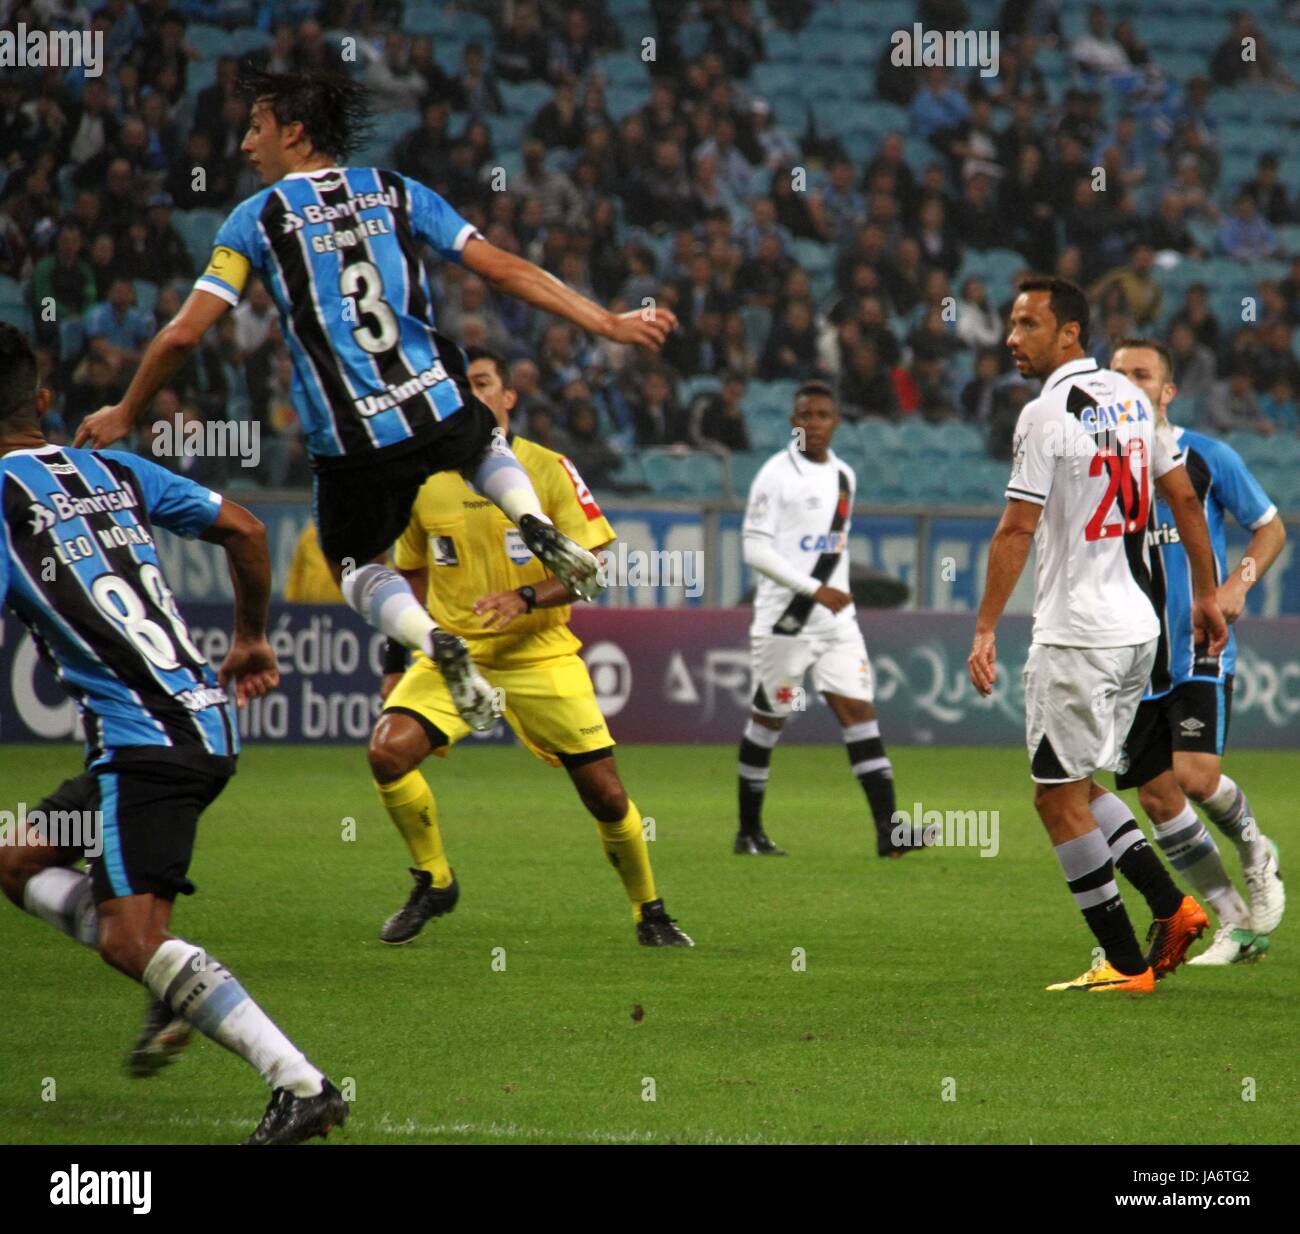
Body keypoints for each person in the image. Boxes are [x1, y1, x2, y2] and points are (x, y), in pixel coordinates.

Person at [74, 70, 676, 734]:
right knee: (483, 442)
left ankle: (433, 641)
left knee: (356, 566)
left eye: (256, 127)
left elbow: (186, 332)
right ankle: (531, 518)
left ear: (294, 133)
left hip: (351, 442)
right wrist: (604, 323)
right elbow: (501, 265)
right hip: (436, 405)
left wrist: (127, 410)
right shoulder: (397, 191)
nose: (247, 144)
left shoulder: (255, 220)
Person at [0, 322, 345, 1144]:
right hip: (199, 719)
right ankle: (172, 972)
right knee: (17, 860)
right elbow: (249, 529)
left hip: (143, 742)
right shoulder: (111, 466)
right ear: (44, 401)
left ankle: (300, 1084)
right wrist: (252, 635)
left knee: (131, 938)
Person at [367, 350, 691, 947]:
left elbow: (592, 566)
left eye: (484, 383)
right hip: (453, 655)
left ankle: (651, 912)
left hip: (540, 652)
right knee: (387, 755)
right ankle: (434, 880)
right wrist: (395, 660)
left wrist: (525, 597)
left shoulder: (548, 469)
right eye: (462, 387)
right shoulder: (421, 481)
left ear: (509, 396)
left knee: (606, 794)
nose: (472, 394)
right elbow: (408, 575)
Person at [968, 278, 1228, 993]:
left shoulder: (1045, 414)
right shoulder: (1132, 399)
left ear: (1070, 334)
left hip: (1078, 635)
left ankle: (1122, 961)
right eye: (1012, 322)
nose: (1013, 337)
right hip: (1135, 631)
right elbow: (1183, 498)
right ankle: (1173, 908)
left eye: (1028, 324)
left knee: (1055, 800)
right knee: (1078, 786)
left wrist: (986, 625)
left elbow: (1016, 529)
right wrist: (1205, 592)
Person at [1110, 338, 1286, 964]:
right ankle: (1235, 923)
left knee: (1195, 778)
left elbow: (1270, 526)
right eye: (1118, 375)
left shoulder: (1205, 457)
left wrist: (1237, 583)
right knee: (1158, 798)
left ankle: (1255, 849)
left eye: (1142, 375)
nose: (1129, 385)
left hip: (1196, 650)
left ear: (1166, 391)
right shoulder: (1098, 469)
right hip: (1130, 658)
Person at [736, 381, 904, 859]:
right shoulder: (774, 475)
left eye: (822, 415)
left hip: (836, 621)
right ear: (793, 422)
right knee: (770, 719)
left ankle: (889, 833)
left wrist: (832, 596)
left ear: (836, 422)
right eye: (805, 415)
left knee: (859, 713)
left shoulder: (845, 477)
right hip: (786, 620)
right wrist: (813, 590)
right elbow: (754, 549)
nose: (813, 423)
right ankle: (748, 831)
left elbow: (832, 550)